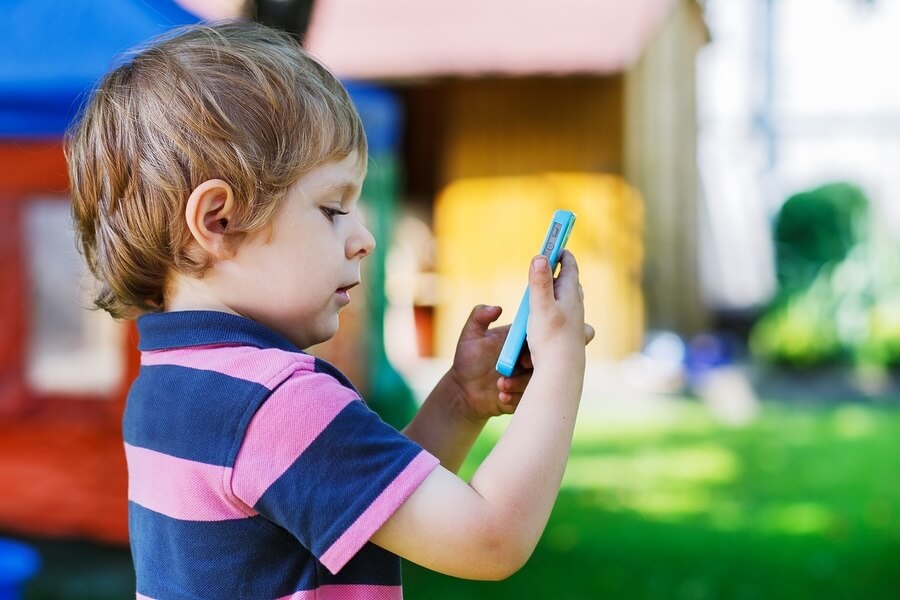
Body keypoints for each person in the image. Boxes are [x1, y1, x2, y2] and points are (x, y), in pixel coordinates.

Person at [67, 21, 592, 600]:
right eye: (332, 208)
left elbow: (369, 504)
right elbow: (490, 538)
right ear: (218, 220)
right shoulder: (274, 401)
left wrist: (458, 402)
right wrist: (561, 362)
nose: (363, 237)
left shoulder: (175, 384)